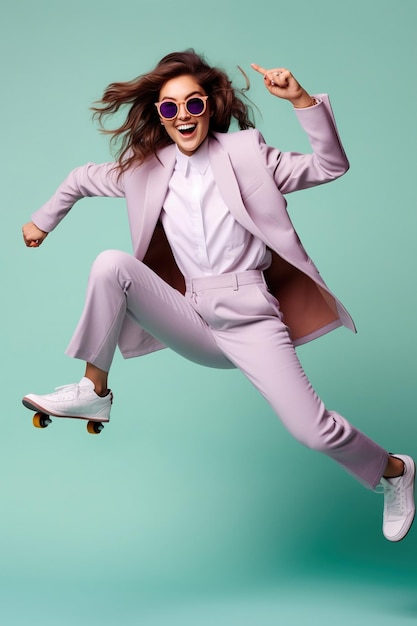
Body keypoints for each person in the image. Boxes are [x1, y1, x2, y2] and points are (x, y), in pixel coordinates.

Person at [22, 50, 415, 542]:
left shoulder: (248, 153)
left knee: (313, 431)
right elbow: (82, 177)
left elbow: (331, 165)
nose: (183, 115)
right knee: (111, 263)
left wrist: (301, 100)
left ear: (210, 106)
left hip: (252, 320)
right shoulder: (147, 169)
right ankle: (93, 392)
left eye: (193, 103)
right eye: (170, 108)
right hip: (193, 315)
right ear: (159, 116)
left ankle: (395, 471)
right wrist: (43, 220)